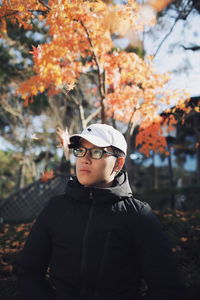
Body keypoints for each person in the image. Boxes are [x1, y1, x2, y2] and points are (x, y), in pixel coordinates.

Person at [18, 123, 183, 300]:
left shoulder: (137, 215)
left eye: (96, 152)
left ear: (118, 163)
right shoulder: (56, 208)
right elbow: (28, 271)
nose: (84, 159)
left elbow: (167, 287)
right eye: (80, 151)